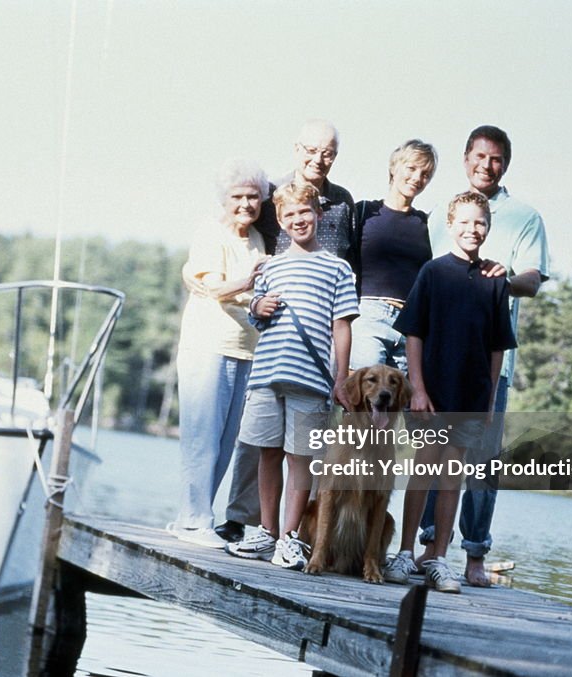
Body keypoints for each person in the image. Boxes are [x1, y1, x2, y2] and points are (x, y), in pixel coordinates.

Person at [418, 125, 550, 586]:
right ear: (465, 157)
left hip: (490, 363)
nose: (485, 165)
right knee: (433, 457)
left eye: (495, 159)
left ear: (505, 164)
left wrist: (500, 278)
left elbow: (532, 281)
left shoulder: (525, 217)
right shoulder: (442, 212)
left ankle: (474, 554)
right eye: (478, 156)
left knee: (480, 463)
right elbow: (426, 276)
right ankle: (429, 549)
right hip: (438, 357)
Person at [215, 119, 355, 543]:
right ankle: (245, 519)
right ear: (297, 150)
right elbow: (240, 227)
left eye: (327, 152)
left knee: (301, 448)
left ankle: (292, 533)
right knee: (259, 439)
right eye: (311, 150)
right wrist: (250, 294)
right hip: (275, 327)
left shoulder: (343, 201)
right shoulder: (274, 191)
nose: (318, 158)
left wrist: (340, 370)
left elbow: (347, 269)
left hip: (314, 332)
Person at [384, 192, 517, 593]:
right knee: (423, 470)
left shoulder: (496, 284)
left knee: (451, 477)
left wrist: (490, 401)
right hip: (433, 391)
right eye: (464, 222)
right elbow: (414, 333)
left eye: (479, 223)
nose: (472, 229)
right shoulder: (433, 272)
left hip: (471, 396)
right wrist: (418, 390)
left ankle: (439, 558)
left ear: (489, 228)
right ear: (450, 224)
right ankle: (406, 553)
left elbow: (498, 348)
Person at [169, 158, 270, 548]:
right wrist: (252, 283)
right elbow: (211, 286)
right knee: (202, 437)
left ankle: (192, 517)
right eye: (238, 196)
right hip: (207, 345)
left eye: (253, 197)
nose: (246, 204)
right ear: (224, 199)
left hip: (245, 349)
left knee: (226, 442)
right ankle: (195, 522)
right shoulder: (210, 231)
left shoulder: (257, 239)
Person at [347, 139, 437, 372]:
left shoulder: (427, 223)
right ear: (394, 167)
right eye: (412, 168)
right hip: (369, 316)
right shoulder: (364, 212)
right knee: (364, 402)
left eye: (425, 173)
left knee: (398, 404)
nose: (417, 177)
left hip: (410, 323)